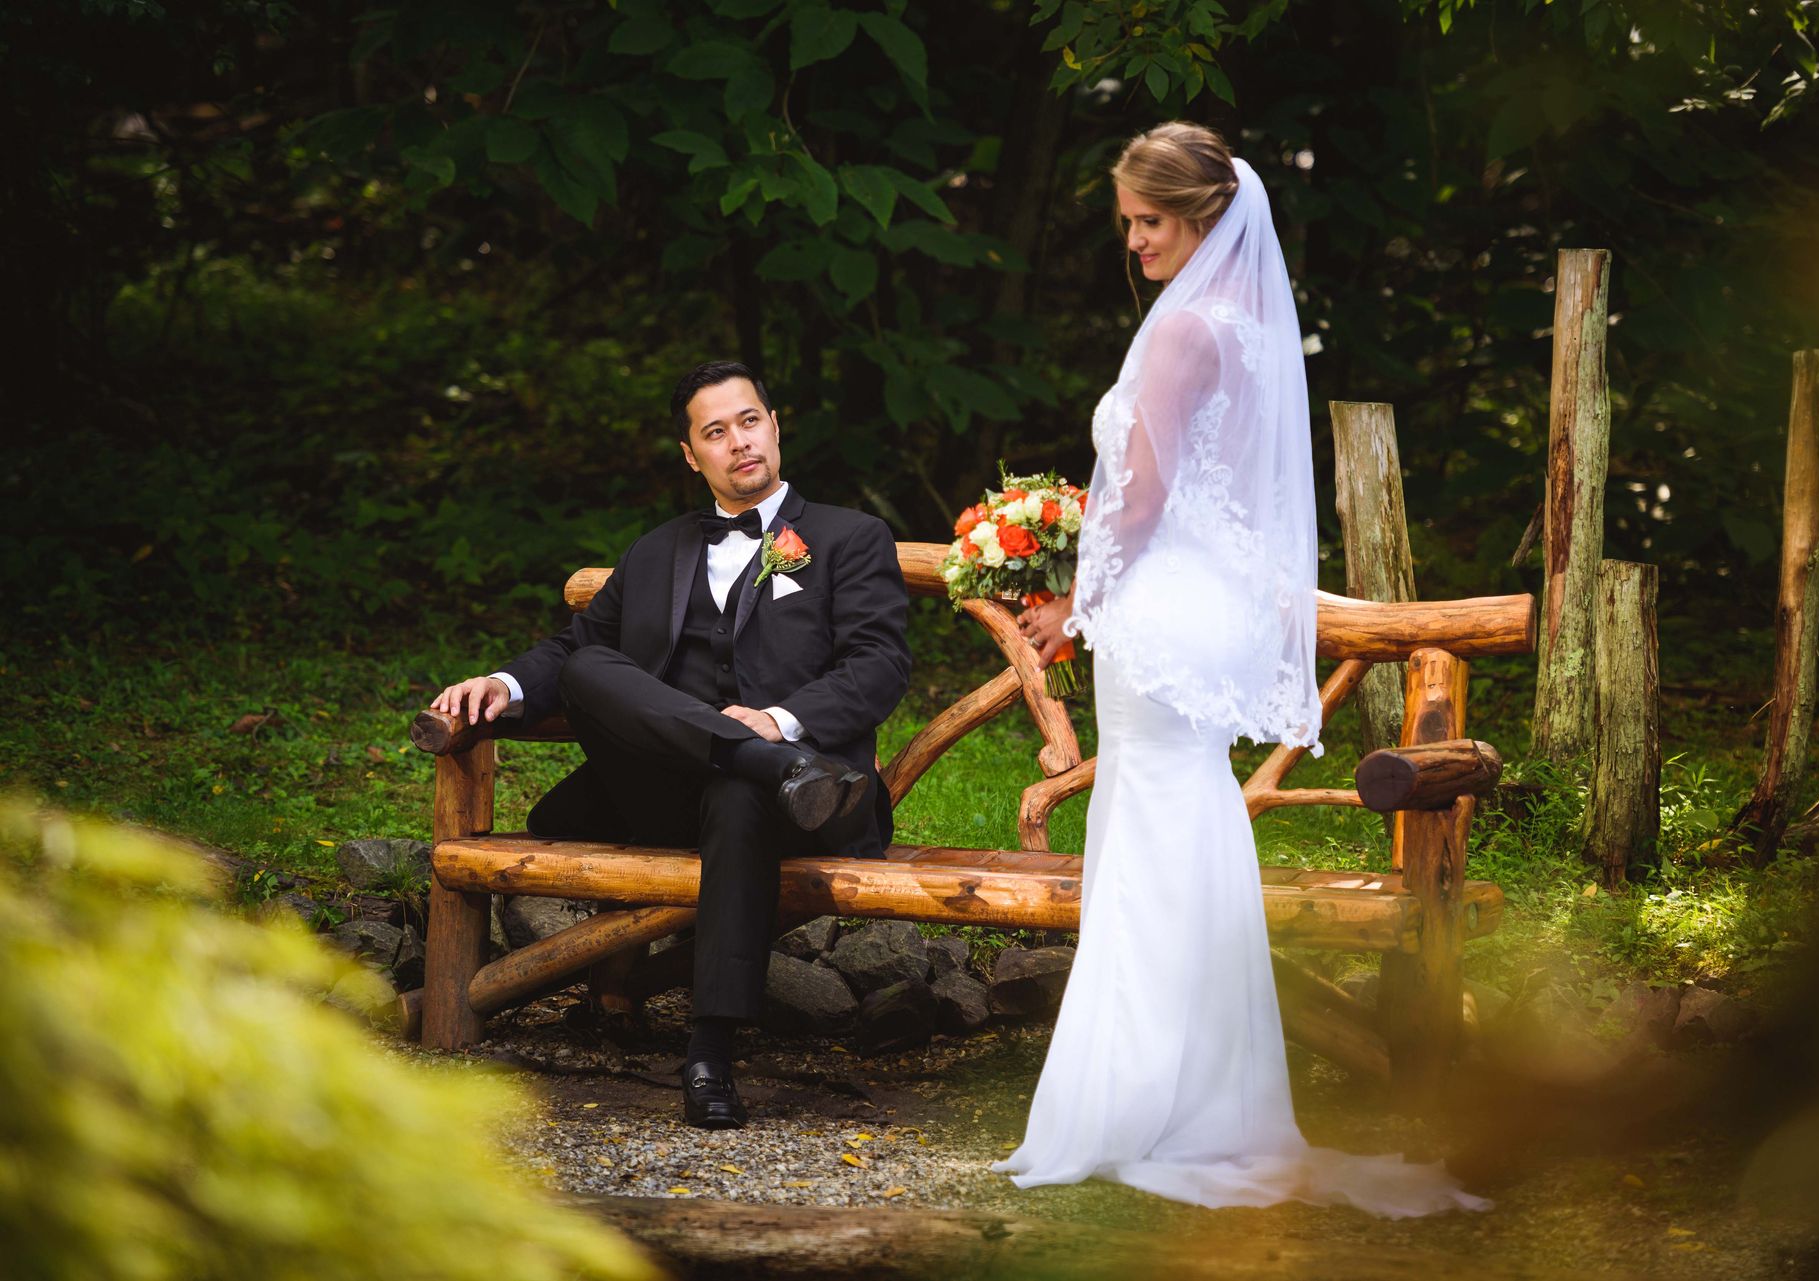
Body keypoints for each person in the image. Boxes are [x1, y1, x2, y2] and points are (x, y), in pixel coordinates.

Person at [995, 123, 1488, 1214]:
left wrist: (1076, 606)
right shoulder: (1251, 324)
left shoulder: (1181, 335)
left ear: (1206, 218)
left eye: (1150, 222)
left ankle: (1138, 1102)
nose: (1133, 243)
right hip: (1207, 611)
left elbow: (1146, 494)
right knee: (1187, 818)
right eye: (1127, 222)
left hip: (1161, 615)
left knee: (1147, 830)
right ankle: (1206, 1094)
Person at [429, 360, 911, 1130]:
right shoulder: (656, 552)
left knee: (737, 790)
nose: (739, 443)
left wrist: (780, 722)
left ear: (776, 426)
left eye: (749, 421)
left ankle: (709, 1049)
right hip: (677, 790)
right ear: (692, 456)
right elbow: (575, 650)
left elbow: (880, 665)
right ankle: (765, 766)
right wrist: (503, 682)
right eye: (715, 432)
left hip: (811, 801)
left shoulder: (850, 538)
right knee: (592, 667)